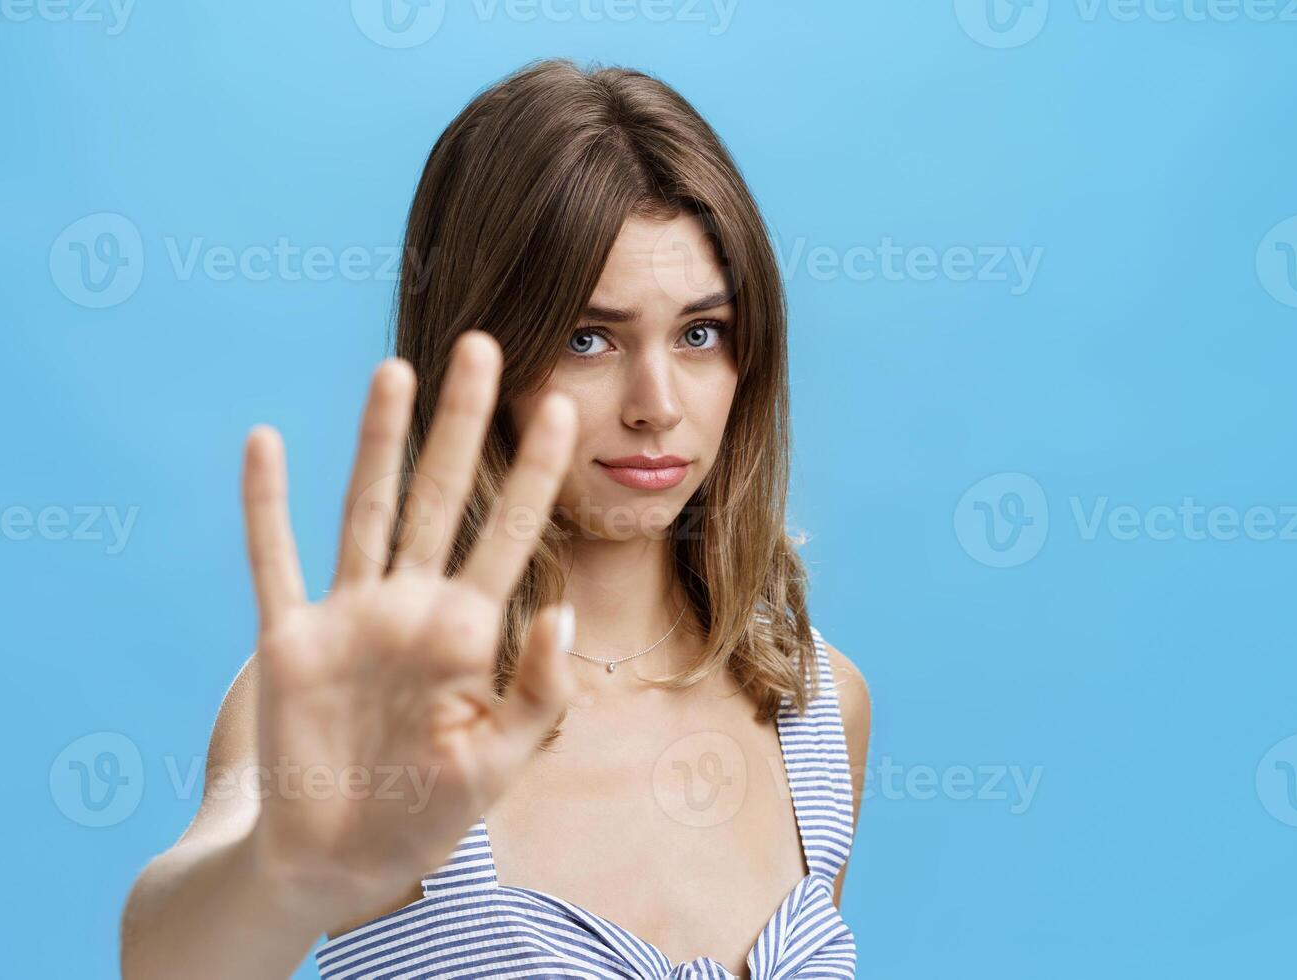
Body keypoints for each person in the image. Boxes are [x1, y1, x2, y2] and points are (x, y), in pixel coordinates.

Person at [120, 59, 870, 980]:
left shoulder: (819, 704)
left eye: (700, 333)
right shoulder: (369, 704)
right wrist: (281, 873)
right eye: (586, 338)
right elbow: (170, 957)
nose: (656, 404)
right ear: (483, 351)